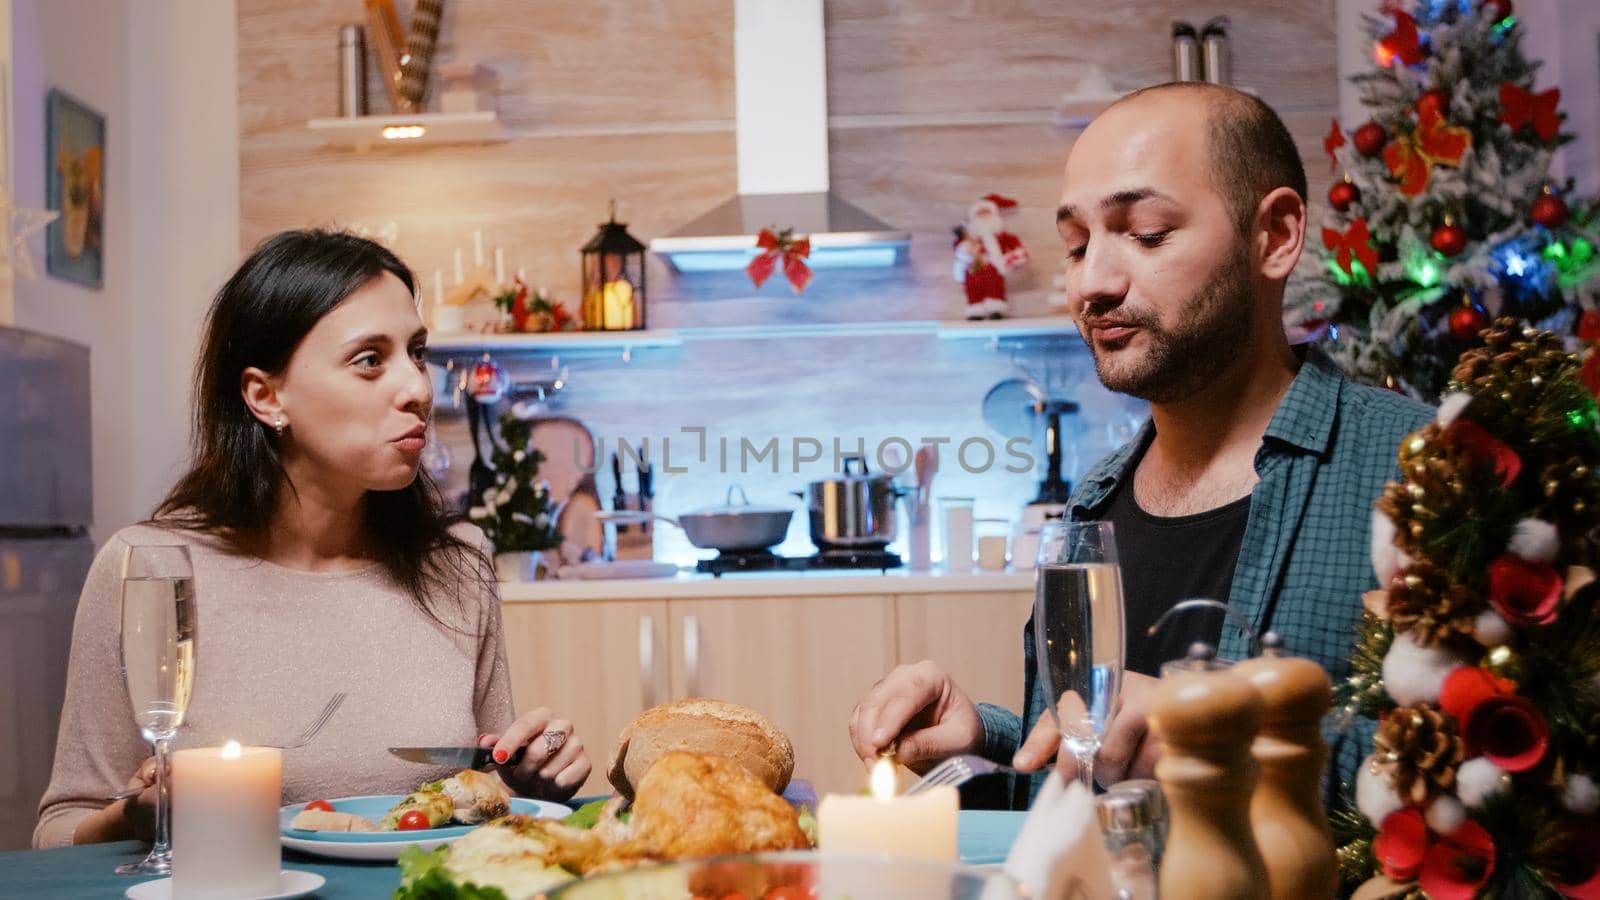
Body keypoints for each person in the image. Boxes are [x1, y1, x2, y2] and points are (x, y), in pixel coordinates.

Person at [849, 83, 1432, 807]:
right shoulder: (1095, 500)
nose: (1092, 281)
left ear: (1275, 236)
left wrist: (1213, 739)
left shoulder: (1422, 471)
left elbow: (1510, 790)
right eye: (1076, 244)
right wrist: (989, 741)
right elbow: (1094, 762)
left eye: (1146, 233)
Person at [34, 230, 592, 848]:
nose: (417, 389)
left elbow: (484, 798)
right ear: (266, 397)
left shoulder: (458, 562)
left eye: (417, 352)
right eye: (369, 360)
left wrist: (531, 781)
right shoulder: (149, 570)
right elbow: (59, 835)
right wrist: (140, 817)